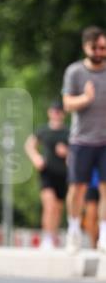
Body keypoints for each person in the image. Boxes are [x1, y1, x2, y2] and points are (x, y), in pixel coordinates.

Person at [62, 26, 106, 253]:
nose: (99, 52)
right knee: (77, 188)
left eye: (103, 48)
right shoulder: (75, 72)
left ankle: (104, 234)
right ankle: (73, 231)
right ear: (85, 47)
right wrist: (86, 98)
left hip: (105, 141)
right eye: (95, 48)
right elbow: (67, 104)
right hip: (81, 140)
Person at [24, 100, 69, 250]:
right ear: (49, 112)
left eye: (59, 111)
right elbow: (29, 145)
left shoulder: (68, 132)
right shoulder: (43, 130)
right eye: (54, 110)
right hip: (47, 173)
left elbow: (77, 151)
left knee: (57, 209)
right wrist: (36, 158)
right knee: (49, 206)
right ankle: (47, 237)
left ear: (63, 113)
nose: (56, 113)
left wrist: (67, 152)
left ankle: (53, 236)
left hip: (63, 174)